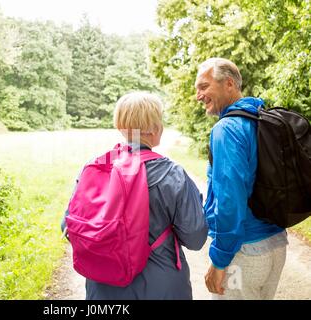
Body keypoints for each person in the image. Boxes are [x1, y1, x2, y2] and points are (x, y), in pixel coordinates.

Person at [61, 91, 208, 299]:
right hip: (161, 287)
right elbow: (195, 238)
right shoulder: (172, 174)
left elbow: (67, 226)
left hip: (103, 287)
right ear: (156, 128)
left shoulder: (95, 166)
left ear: (120, 125)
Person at [195, 57, 289, 300]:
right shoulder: (260, 120)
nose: (198, 96)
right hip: (276, 245)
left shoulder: (226, 129)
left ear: (229, 83)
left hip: (245, 253)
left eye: (204, 86)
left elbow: (230, 201)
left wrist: (219, 261)